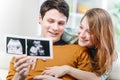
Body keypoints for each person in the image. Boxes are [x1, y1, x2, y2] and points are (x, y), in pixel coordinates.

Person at [6, 0, 97, 80]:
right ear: (40, 18)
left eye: (61, 23)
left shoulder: (78, 50)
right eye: (50, 21)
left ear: (66, 24)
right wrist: (20, 75)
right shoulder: (21, 52)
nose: (55, 28)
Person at [35, 8, 116, 80]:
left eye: (89, 32)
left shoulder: (107, 53)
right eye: (81, 27)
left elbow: (98, 78)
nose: (82, 35)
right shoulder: (70, 35)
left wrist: (67, 69)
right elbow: (46, 35)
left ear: (101, 35)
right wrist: (34, 52)